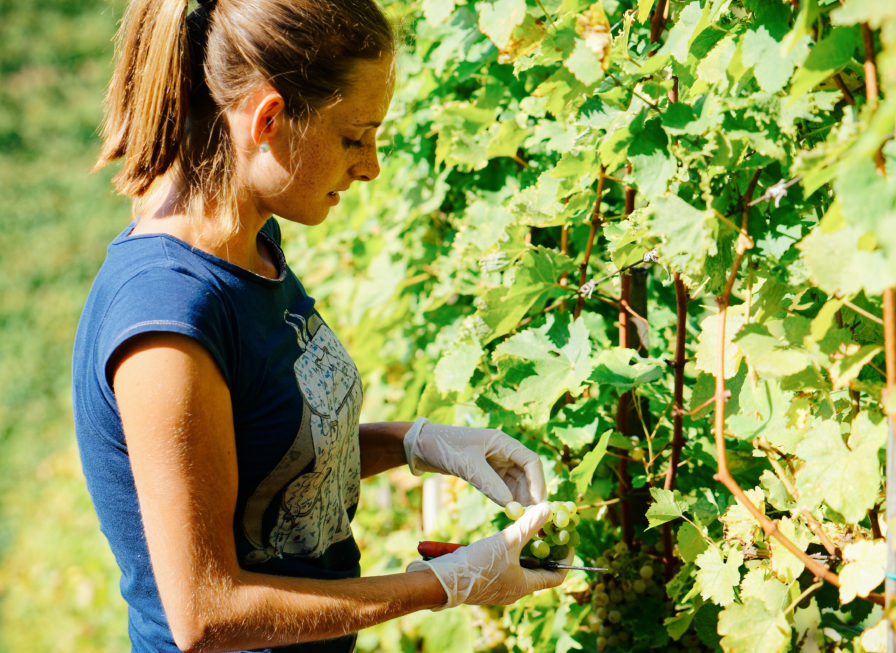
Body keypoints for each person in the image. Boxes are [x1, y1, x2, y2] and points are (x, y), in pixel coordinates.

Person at [70, 1, 568, 651]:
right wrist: (445, 583)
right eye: (355, 136)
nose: (372, 167)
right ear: (270, 119)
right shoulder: (167, 322)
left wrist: (418, 443)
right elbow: (207, 614)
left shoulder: (253, 246)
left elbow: (267, 453)